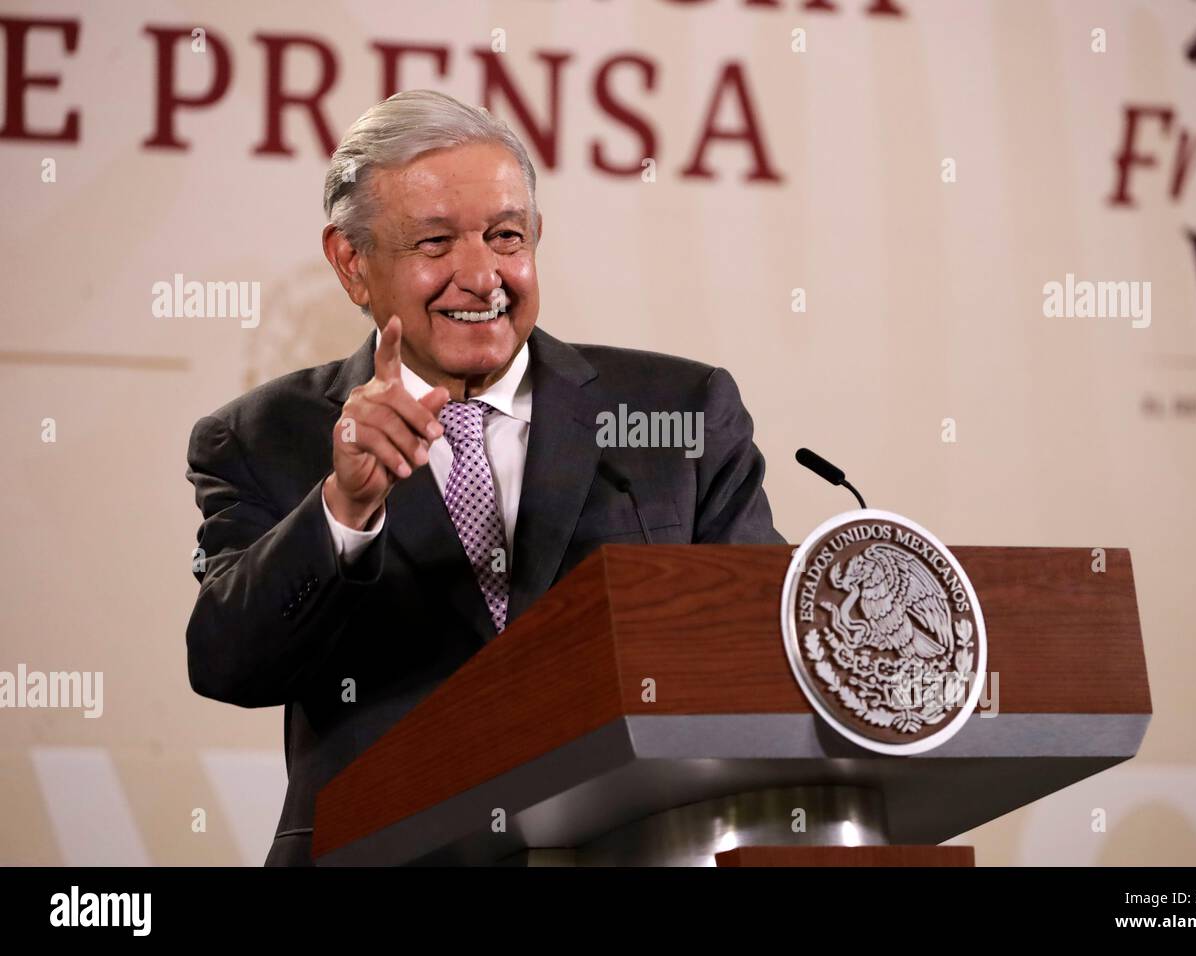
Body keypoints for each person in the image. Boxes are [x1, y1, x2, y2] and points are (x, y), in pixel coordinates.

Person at [185, 90, 784, 866]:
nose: (482, 276)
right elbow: (228, 661)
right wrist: (344, 509)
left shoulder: (682, 412)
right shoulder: (263, 436)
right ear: (351, 263)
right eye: (434, 244)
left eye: (506, 237)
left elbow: (764, 654)